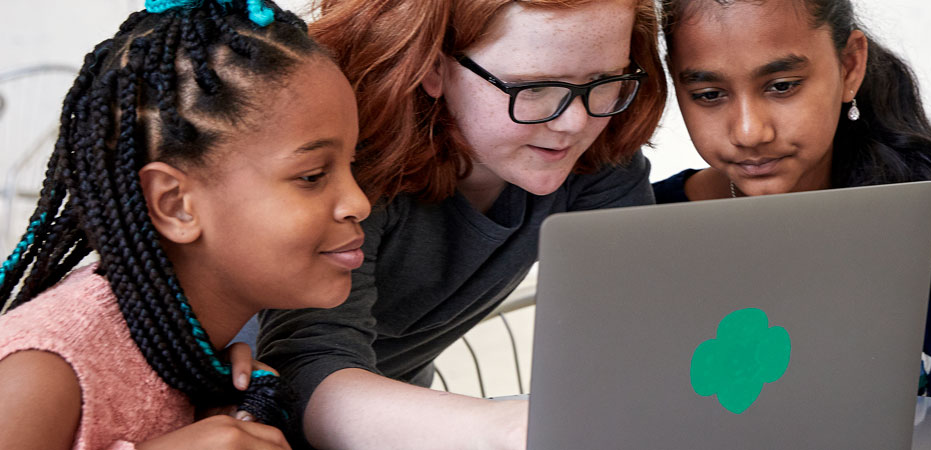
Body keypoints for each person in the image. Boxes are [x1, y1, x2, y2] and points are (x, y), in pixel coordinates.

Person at [651, 0, 931, 442]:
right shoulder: (646, 230)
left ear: (850, 65)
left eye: (782, 85)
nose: (749, 131)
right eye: (709, 95)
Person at [252, 0, 668, 447]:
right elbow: (304, 368)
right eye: (533, 87)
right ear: (433, 68)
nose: (575, 122)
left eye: (604, 81)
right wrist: (507, 430)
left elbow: (634, 331)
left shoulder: (598, 155)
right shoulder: (354, 171)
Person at [0, 0, 368, 447]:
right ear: (175, 205)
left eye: (353, 165)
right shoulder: (42, 370)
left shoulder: (193, 356)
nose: (359, 203)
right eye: (312, 176)